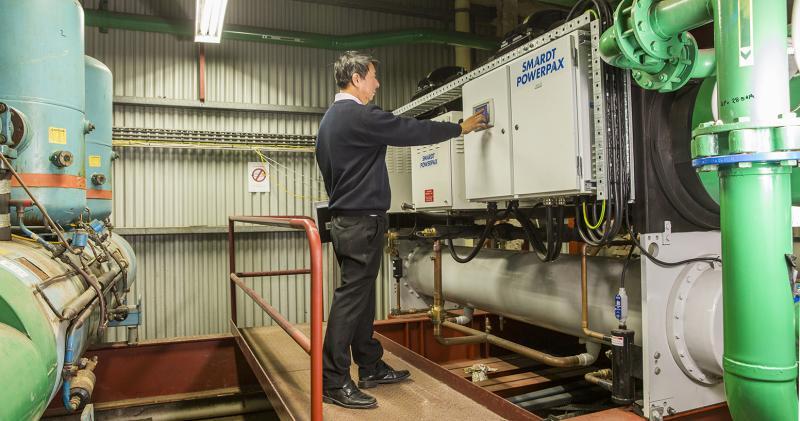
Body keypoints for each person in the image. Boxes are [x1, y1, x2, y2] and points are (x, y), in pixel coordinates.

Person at [315, 51, 487, 409]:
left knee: (359, 298)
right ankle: (332, 380)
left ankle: (370, 364)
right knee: (350, 300)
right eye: (374, 77)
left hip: (349, 220)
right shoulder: (358, 116)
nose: (377, 84)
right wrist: (460, 127)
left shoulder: (329, 121)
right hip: (362, 220)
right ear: (357, 77)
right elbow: (410, 130)